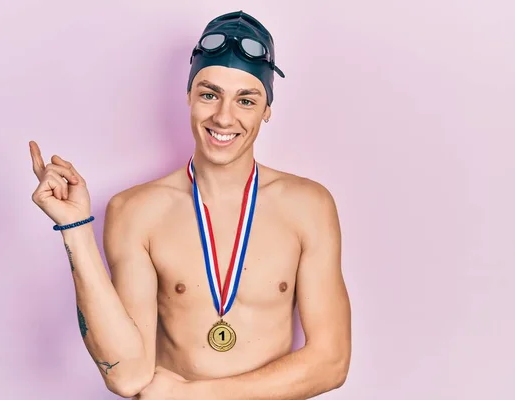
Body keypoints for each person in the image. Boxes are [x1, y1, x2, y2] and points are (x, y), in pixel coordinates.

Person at [29, 10, 351, 400]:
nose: (224, 116)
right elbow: (127, 375)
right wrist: (76, 228)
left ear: (267, 110)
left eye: (246, 100)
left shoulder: (308, 206)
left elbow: (331, 362)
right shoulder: (136, 210)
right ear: (188, 97)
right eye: (209, 94)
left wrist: (194, 395)